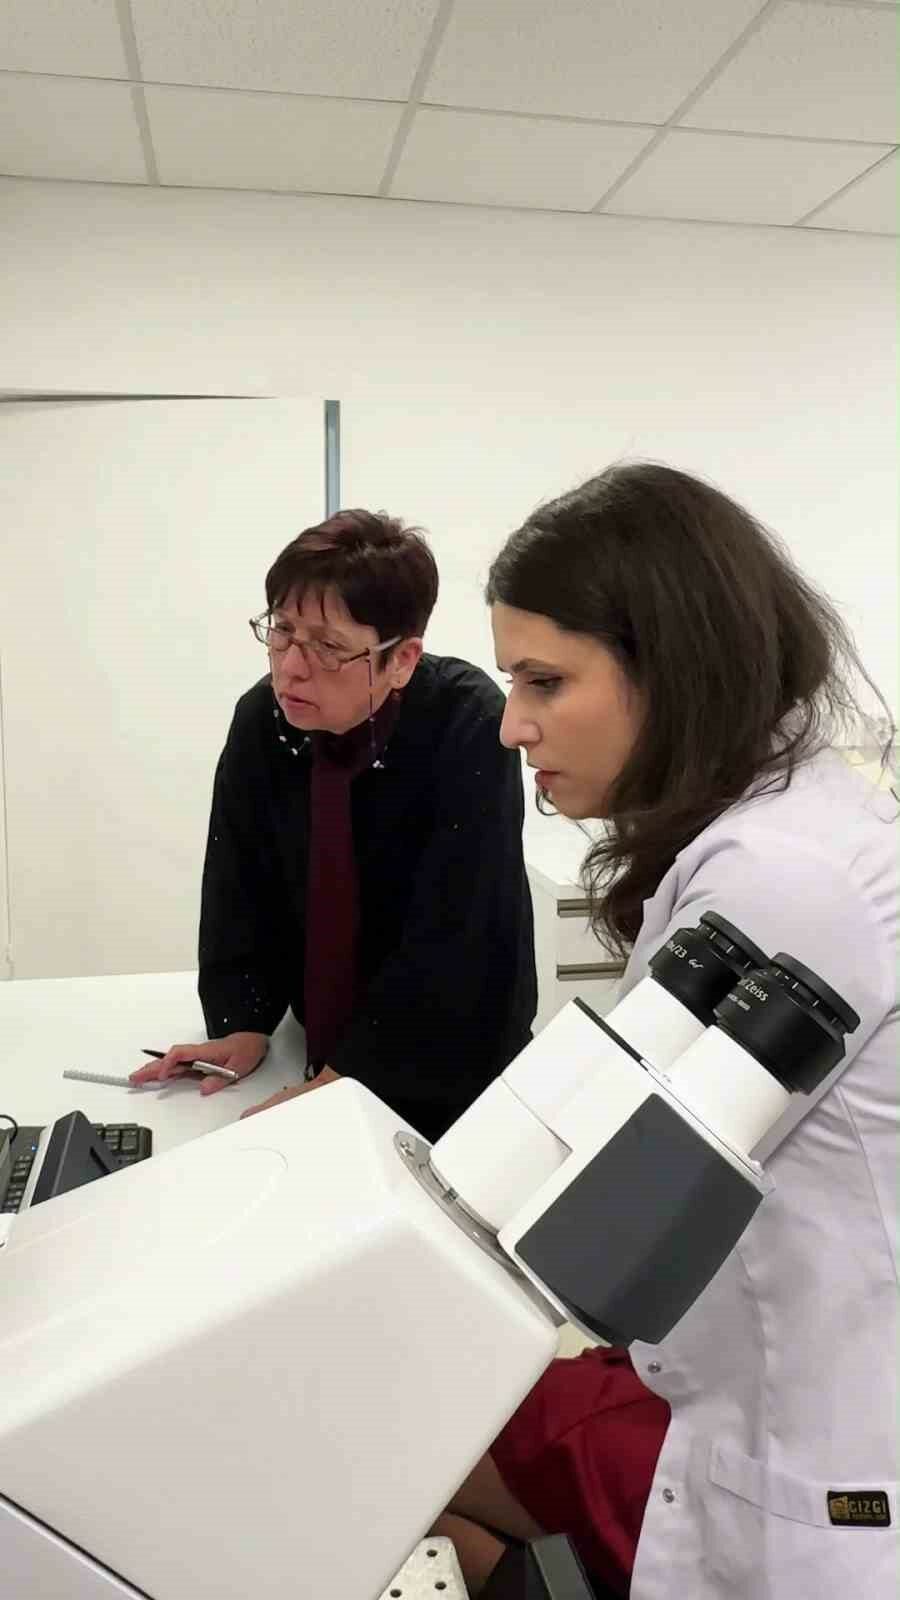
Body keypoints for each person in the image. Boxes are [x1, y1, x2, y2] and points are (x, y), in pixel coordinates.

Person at [431, 462, 898, 1598]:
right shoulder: (779, 821)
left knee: (398, 1426)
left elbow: (601, 1229)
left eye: (546, 681)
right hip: (730, 1382)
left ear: (676, 667)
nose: (512, 724)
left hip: (807, 1450)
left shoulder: (784, 876)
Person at [131, 510, 537, 1142]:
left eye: (325, 646)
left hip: (455, 1062)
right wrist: (244, 1022)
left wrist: (349, 1078)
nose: (291, 667)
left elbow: (457, 936)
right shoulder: (262, 720)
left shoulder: (467, 722)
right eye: (281, 630)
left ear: (401, 659)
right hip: (319, 1046)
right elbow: (239, 883)